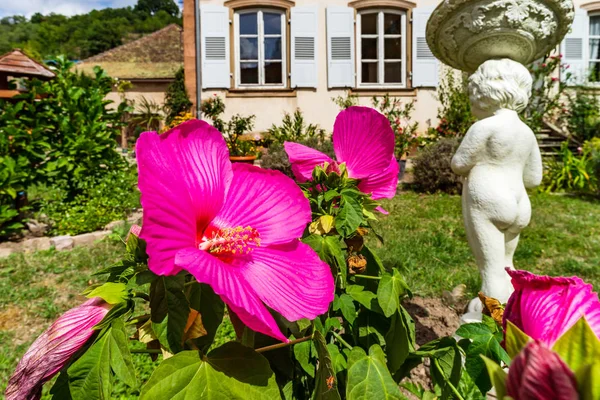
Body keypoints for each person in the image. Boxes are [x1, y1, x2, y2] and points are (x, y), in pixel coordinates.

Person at [451, 58, 543, 312]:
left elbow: (458, 163)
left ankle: (485, 325)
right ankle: (512, 316)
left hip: (488, 198)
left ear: (486, 92)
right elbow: (534, 178)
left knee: (491, 271)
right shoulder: (527, 132)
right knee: (508, 266)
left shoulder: (484, 126)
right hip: (519, 202)